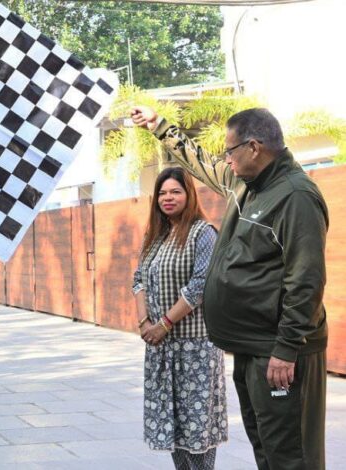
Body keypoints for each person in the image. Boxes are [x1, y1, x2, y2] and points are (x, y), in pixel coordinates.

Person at [132, 106, 328, 470]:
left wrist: (286, 348)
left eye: (230, 151)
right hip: (252, 347)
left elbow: (306, 280)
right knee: (266, 447)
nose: (226, 159)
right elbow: (200, 163)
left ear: (254, 147)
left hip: (279, 353)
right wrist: (159, 127)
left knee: (291, 454)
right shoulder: (245, 184)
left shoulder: (294, 196)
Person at [132, 167, 227, 468]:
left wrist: (164, 324)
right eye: (162, 192)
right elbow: (138, 279)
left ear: (189, 194)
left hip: (195, 350)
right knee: (173, 431)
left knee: (198, 433)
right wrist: (144, 323)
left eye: (175, 191)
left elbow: (199, 286)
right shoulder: (155, 235)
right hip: (163, 350)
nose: (167, 198)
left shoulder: (203, 233)